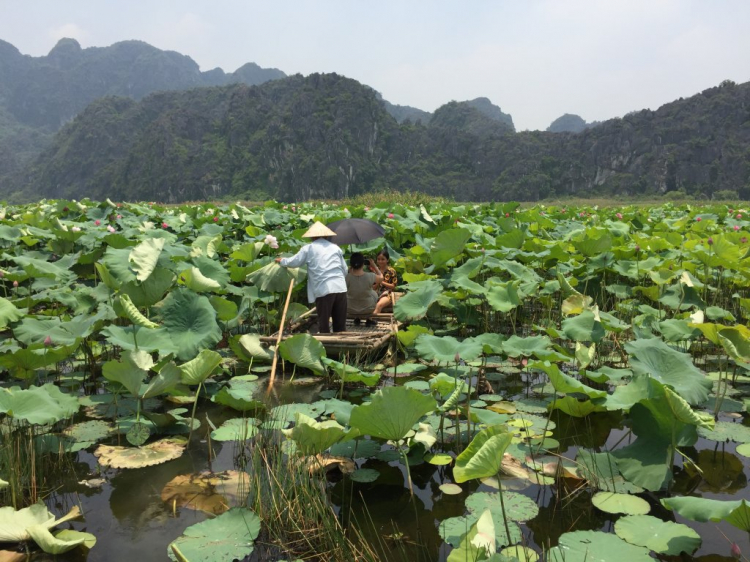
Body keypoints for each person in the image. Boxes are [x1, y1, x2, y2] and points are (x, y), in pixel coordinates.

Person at [275, 221, 348, 333]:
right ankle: (343, 348)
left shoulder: (309, 248)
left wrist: (282, 261)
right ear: (327, 236)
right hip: (340, 287)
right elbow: (345, 270)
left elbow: (295, 262)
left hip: (324, 288)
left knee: (324, 326)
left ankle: (326, 347)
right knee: (340, 325)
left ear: (312, 237)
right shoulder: (335, 248)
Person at [346, 252, 383, 326]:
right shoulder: (370, 276)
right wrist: (374, 266)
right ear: (363, 264)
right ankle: (368, 319)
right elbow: (381, 278)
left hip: (350, 308)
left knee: (349, 293)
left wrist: (351, 268)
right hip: (368, 308)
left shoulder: (347, 277)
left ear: (351, 264)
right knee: (374, 293)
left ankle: (357, 318)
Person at [373, 249, 398, 314]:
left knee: (379, 305)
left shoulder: (391, 271)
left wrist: (381, 281)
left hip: (388, 293)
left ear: (387, 260)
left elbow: (393, 286)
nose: (380, 261)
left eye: (383, 259)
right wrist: (378, 282)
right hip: (376, 293)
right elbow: (374, 288)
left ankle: (372, 321)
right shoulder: (375, 271)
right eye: (378, 259)